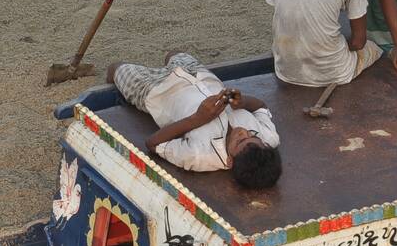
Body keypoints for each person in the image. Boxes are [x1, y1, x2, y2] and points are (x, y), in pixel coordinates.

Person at [107, 53, 282, 189]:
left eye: (240, 141)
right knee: (173, 53)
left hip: (156, 91)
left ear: (230, 161)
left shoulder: (198, 156)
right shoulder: (270, 139)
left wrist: (198, 118)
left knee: (116, 68)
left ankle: (112, 91)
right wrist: (242, 102)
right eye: (252, 135)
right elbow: (260, 108)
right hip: (200, 76)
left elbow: (153, 143)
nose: (243, 132)